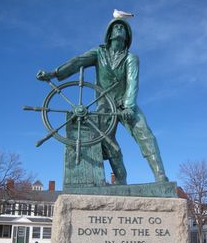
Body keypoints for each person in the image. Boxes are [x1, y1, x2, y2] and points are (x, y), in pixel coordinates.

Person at [37, 19, 168, 184]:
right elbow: (77, 62)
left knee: (145, 134)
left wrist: (128, 106)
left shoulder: (131, 58)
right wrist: (53, 74)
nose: (119, 28)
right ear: (110, 34)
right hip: (104, 105)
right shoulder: (98, 53)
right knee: (108, 142)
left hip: (125, 104)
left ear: (127, 36)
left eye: (123, 27)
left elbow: (133, 81)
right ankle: (121, 180)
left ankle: (160, 176)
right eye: (116, 27)